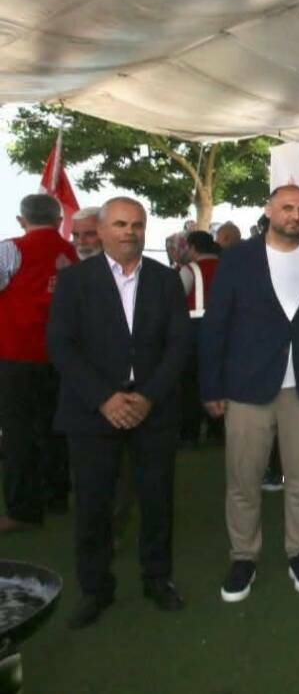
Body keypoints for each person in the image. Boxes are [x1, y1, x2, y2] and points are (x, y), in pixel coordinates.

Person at [46, 197, 192, 628]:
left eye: (137, 225)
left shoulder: (166, 281)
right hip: (92, 412)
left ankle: (158, 579)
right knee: (93, 505)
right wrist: (104, 399)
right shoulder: (74, 281)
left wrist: (148, 397)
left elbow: (179, 345)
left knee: (157, 501)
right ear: (102, 230)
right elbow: (61, 346)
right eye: (121, 224)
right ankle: (95, 589)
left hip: (153, 410)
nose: (130, 232)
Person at [200, 184, 299, 602]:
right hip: (247, 387)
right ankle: (243, 556)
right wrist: (212, 385)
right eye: (287, 207)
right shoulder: (237, 258)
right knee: (243, 480)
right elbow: (216, 324)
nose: (295, 215)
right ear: (269, 210)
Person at [0, 194, 76, 534]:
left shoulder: (10, 249)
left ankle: (23, 509)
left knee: (18, 434)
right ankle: (56, 496)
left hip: (16, 355)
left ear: (22, 220)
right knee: (54, 427)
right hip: (62, 357)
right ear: (59, 220)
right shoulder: (74, 253)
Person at [176, 232, 221, 448]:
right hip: (224, 329)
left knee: (191, 384)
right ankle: (217, 430)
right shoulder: (227, 267)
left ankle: (189, 434)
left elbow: (176, 298)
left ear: (193, 248)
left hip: (195, 329)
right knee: (219, 381)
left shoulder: (190, 269)